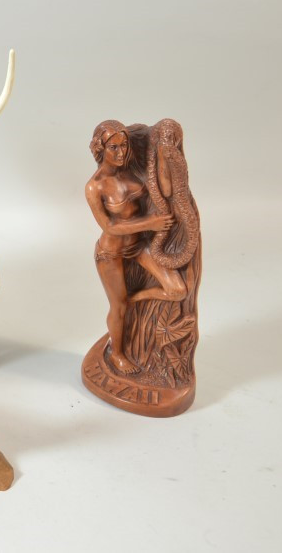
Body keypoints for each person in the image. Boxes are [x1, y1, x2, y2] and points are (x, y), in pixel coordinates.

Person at [85, 121, 186, 375]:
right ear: (100, 149)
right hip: (110, 254)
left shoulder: (132, 171)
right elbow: (109, 226)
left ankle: (136, 298)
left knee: (177, 290)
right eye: (114, 148)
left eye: (124, 146)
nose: (121, 153)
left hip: (138, 246)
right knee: (118, 307)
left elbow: (162, 189)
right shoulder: (94, 186)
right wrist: (150, 223)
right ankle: (117, 354)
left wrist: (163, 154)